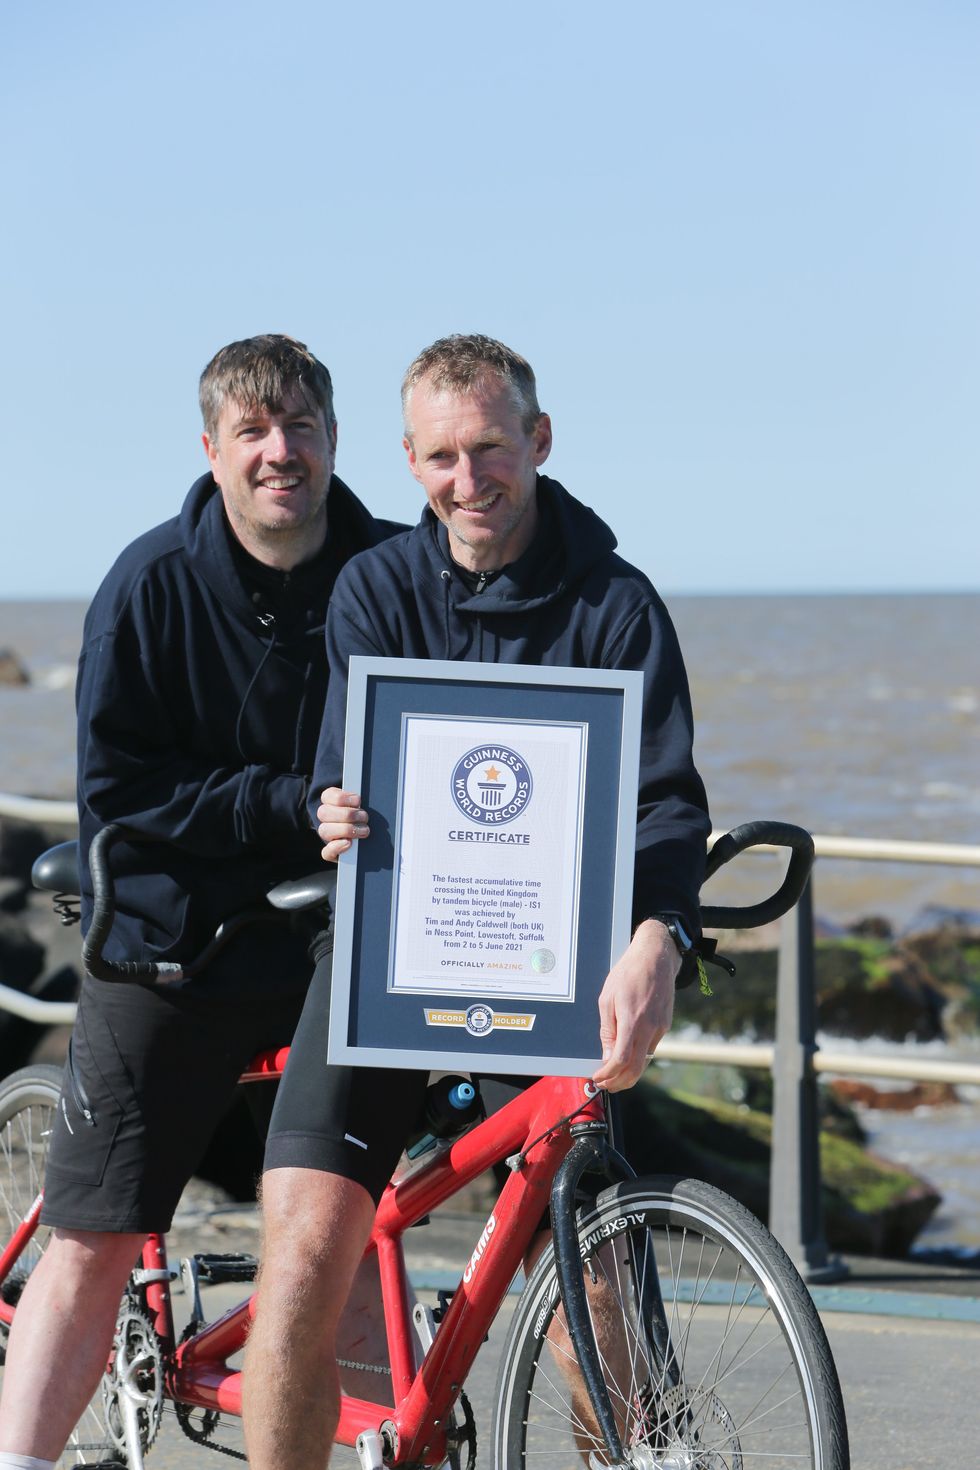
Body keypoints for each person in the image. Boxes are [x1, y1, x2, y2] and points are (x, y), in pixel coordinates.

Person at [242, 334, 711, 1470]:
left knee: (594, 1281)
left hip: (549, 970)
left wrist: (661, 933)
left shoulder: (616, 604)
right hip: (388, 959)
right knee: (300, 1247)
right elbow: (340, 766)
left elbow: (662, 806)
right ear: (408, 462)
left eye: (490, 449)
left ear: (537, 442)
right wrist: (333, 809)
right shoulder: (375, 588)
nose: (468, 480)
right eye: (442, 456)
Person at [0, 334, 398, 1470]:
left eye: (303, 429)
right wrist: (285, 805)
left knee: (347, 1225)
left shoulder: (390, 568)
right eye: (255, 432)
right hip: (172, 940)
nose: (282, 453)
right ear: (212, 450)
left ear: (333, 441)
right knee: (95, 1235)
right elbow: (116, 792)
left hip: (331, 941)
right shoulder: (151, 584)